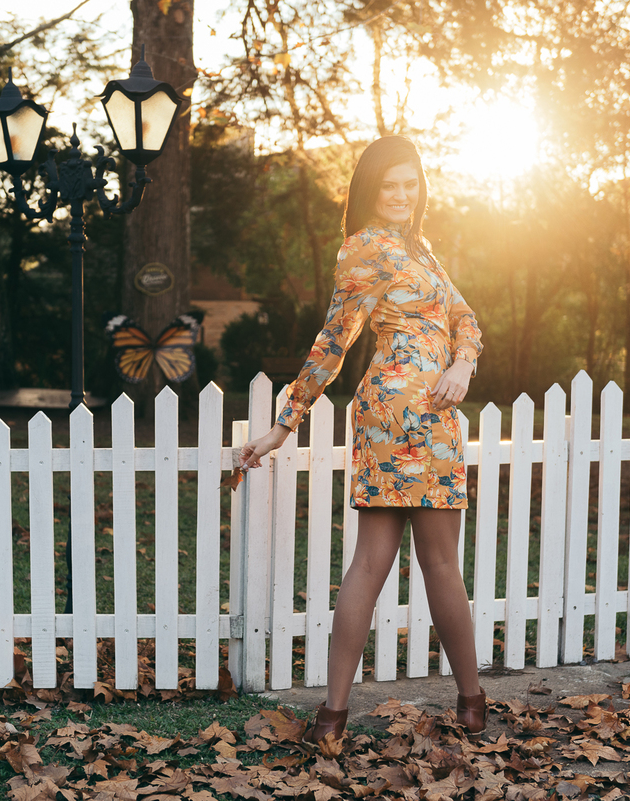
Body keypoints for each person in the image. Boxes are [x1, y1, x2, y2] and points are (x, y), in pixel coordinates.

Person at [237, 136, 486, 744]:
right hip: (397, 413)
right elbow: (334, 341)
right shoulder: (364, 249)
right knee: (390, 562)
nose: (401, 195)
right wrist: (282, 424)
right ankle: (354, 712)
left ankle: (369, 712)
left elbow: (467, 319)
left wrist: (462, 365)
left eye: (410, 183)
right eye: (389, 185)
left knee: (436, 563)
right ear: (369, 190)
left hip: (438, 411)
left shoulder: (419, 249)